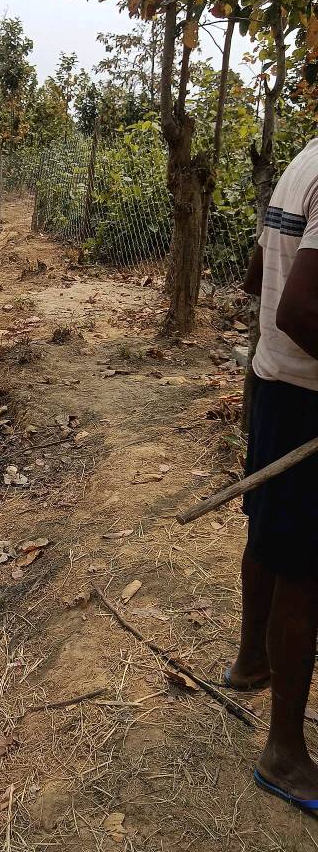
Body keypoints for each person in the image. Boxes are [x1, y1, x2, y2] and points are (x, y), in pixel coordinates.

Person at [230, 135, 318, 811]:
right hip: (307, 400)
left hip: (271, 381)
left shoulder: (306, 158)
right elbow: (299, 309)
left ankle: (251, 661)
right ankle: (284, 752)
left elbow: (258, 275)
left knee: (268, 533)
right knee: (305, 571)